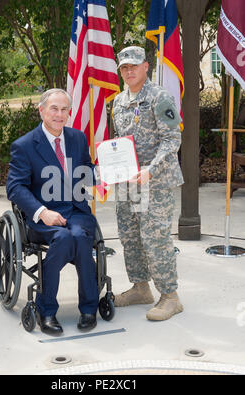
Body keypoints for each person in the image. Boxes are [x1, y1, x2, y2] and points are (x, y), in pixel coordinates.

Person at [6, 88, 98, 335]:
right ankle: (46, 310)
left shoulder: (78, 138)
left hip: (76, 212)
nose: (59, 114)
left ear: (69, 113)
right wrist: (42, 211)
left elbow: (86, 172)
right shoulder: (24, 145)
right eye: (54, 109)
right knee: (65, 237)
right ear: (42, 110)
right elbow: (15, 187)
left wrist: (110, 172)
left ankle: (89, 308)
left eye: (64, 109)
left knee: (78, 235)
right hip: (43, 217)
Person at [112, 46, 184, 321]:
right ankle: (141, 288)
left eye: (133, 66)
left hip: (156, 182)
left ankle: (170, 296)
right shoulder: (119, 101)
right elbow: (119, 142)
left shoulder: (159, 97)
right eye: (124, 68)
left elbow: (172, 140)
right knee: (130, 237)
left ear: (145, 67)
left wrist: (150, 170)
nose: (129, 71)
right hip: (128, 182)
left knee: (155, 239)